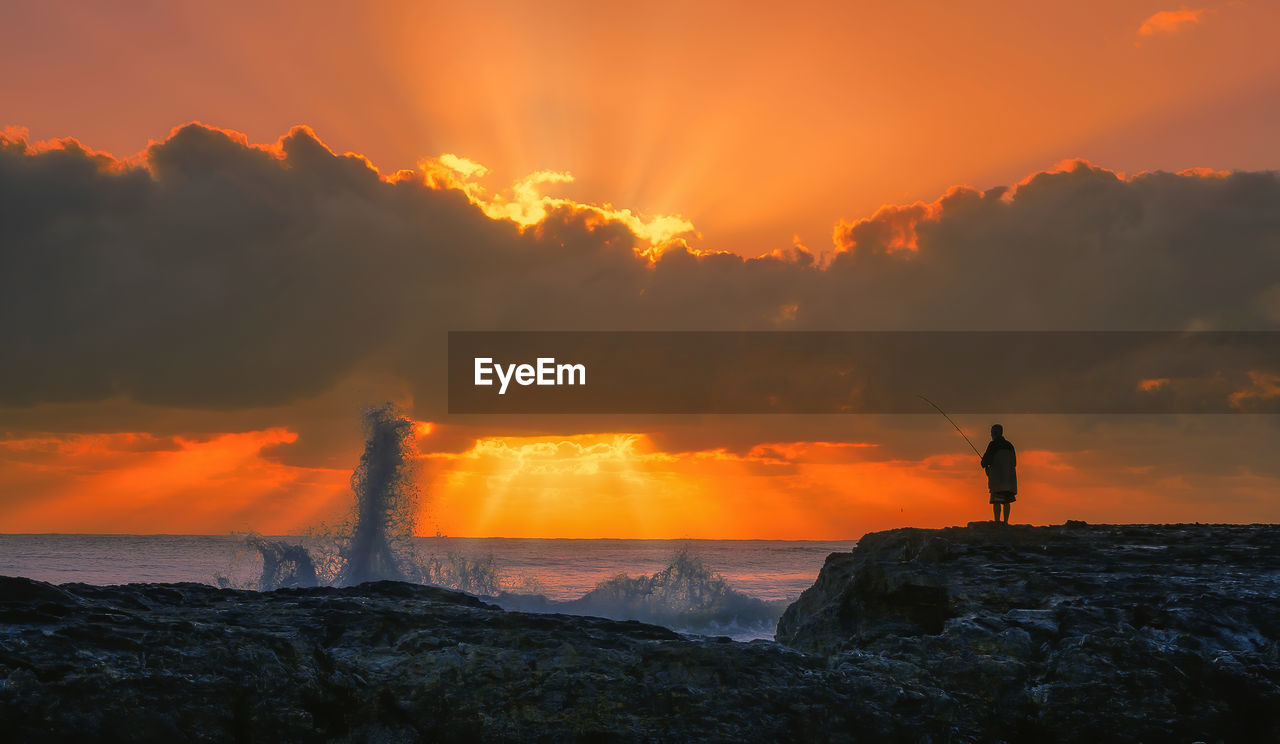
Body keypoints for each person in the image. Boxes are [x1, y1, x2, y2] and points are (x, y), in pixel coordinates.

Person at [980, 424, 1016, 523]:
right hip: (1009, 478)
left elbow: (984, 462)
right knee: (1007, 501)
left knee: (996, 501)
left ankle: (997, 522)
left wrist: (987, 468)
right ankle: (1005, 522)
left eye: (991, 433)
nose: (991, 434)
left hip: (997, 479)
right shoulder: (1010, 445)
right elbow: (1014, 462)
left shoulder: (993, 445)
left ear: (994, 433)